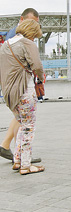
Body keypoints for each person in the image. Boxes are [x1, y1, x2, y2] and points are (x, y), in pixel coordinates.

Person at [0, 19, 45, 174]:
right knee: (28, 127)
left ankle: (17, 160)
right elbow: (37, 66)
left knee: (21, 123)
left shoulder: (6, 44)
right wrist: (40, 77)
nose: (34, 39)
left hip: (9, 93)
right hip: (25, 90)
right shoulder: (27, 43)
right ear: (31, 33)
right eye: (35, 36)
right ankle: (26, 165)